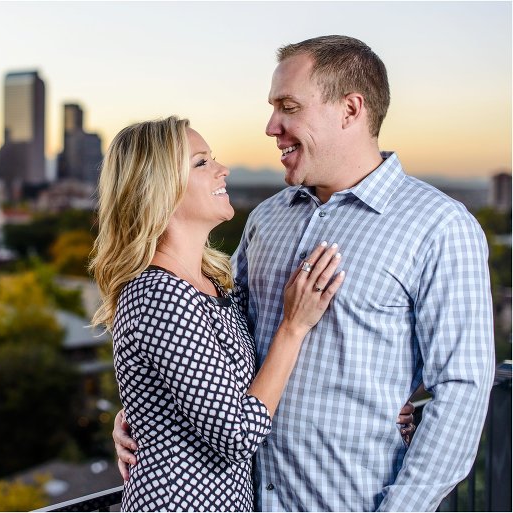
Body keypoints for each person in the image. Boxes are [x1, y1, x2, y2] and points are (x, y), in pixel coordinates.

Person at [114, 35, 495, 511]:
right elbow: (208, 343)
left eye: (288, 106)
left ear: (350, 110)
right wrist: (148, 411)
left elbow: (460, 392)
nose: (272, 126)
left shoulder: (439, 226)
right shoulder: (266, 219)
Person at [90, 116, 346, 511]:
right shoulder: (157, 295)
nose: (222, 170)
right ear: (160, 189)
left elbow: (205, 387)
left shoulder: (215, 281)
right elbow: (238, 435)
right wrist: (293, 327)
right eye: (201, 162)